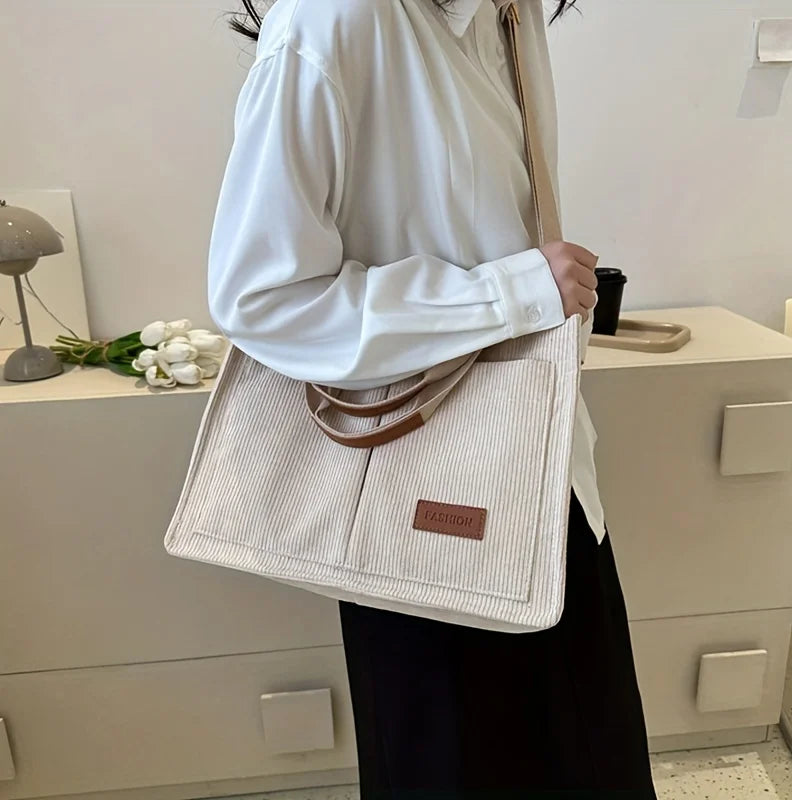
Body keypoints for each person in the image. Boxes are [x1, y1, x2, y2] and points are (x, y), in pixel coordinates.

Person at [209, 0, 657, 796]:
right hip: (415, 501)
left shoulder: (511, 17)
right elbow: (263, 297)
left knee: (594, 760)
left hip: (545, 474)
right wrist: (510, 293)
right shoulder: (332, 23)